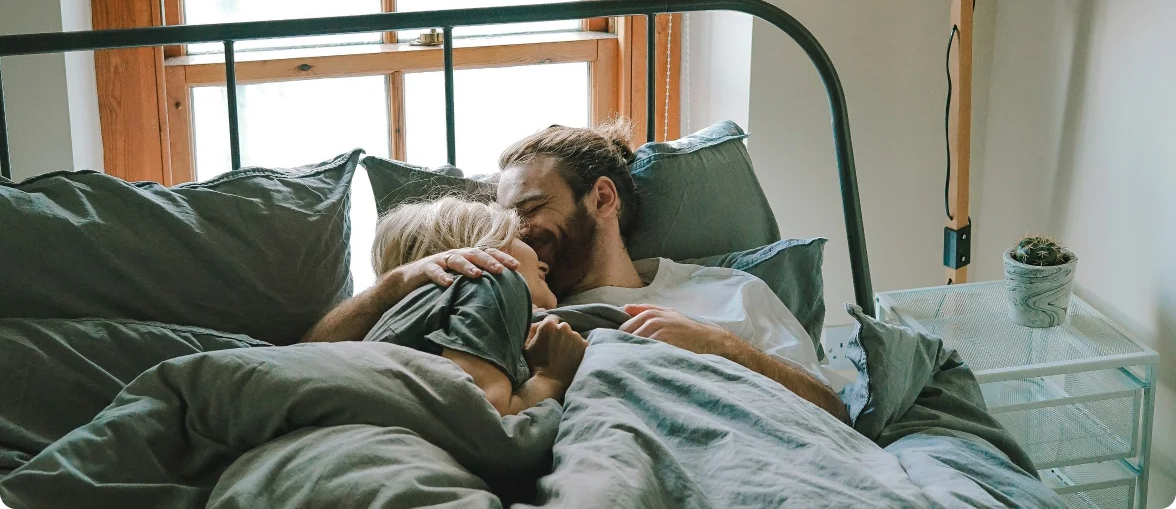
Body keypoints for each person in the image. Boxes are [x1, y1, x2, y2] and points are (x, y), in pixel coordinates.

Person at [302, 122, 848, 424]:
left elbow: (836, 413)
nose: (515, 230)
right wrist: (396, 285)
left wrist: (724, 348)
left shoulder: (729, 295)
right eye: (504, 218)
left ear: (602, 199)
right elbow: (312, 361)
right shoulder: (499, 298)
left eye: (531, 209)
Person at [359, 196, 587, 417]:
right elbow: (487, 420)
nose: (544, 263)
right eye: (521, 239)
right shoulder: (489, 282)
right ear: (479, 248)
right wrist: (550, 378)